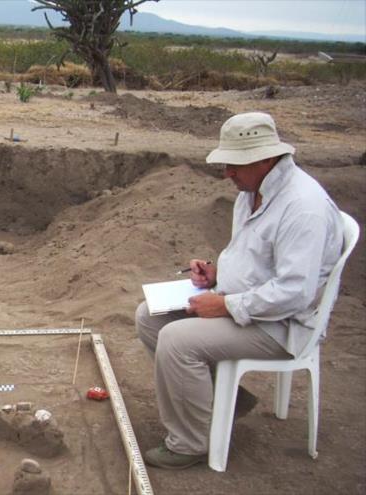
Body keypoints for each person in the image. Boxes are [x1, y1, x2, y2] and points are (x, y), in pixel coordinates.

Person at [136, 112, 343, 469]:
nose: (227, 172)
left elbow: (295, 292)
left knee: (177, 340)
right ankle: (225, 399)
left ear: (265, 159)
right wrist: (216, 275)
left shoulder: (303, 208)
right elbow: (257, 260)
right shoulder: (253, 191)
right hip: (251, 306)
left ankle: (190, 443)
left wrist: (226, 305)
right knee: (148, 316)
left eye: (235, 164)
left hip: (282, 325)